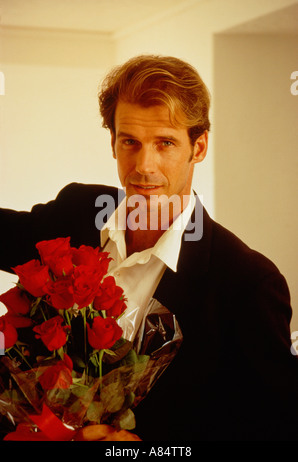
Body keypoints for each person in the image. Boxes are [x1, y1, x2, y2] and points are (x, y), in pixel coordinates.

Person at [1, 54, 298, 441]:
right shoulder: (76, 210)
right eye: (130, 142)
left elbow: (275, 429)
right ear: (112, 142)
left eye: (165, 143)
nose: (144, 165)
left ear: (200, 146)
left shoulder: (248, 282)